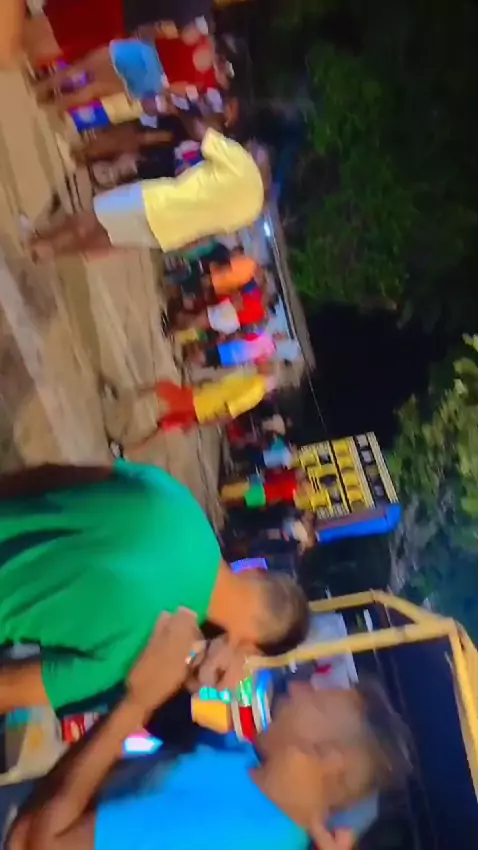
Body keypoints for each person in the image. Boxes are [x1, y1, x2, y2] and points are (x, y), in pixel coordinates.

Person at [6, 614, 410, 850]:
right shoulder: (251, 765)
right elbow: (176, 722)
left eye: (318, 701)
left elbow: (32, 844)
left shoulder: (230, 831)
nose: (301, 688)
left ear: (328, 758)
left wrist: (135, 705)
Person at [0, 460, 308, 715]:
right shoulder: (144, 653)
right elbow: (9, 688)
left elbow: (54, 476)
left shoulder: (177, 499)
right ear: (250, 647)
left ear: (254, 569)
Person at [27, 120, 269, 259]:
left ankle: (40, 243)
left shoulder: (242, 162)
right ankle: (50, 253)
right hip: (172, 234)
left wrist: (181, 110)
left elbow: (201, 132)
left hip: (158, 201)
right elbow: (212, 233)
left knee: (95, 215)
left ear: (256, 157)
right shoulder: (251, 213)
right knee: (108, 239)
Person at [102, 367, 278, 456]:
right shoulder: (253, 382)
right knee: (163, 425)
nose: (263, 362)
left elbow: (229, 412)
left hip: (198, 405)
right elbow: (223, 389)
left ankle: (123, 396)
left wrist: (198, 423)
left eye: (267, 364)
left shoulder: (254, 387)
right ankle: (125, 450)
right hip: (199, 402)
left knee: (161, 388)